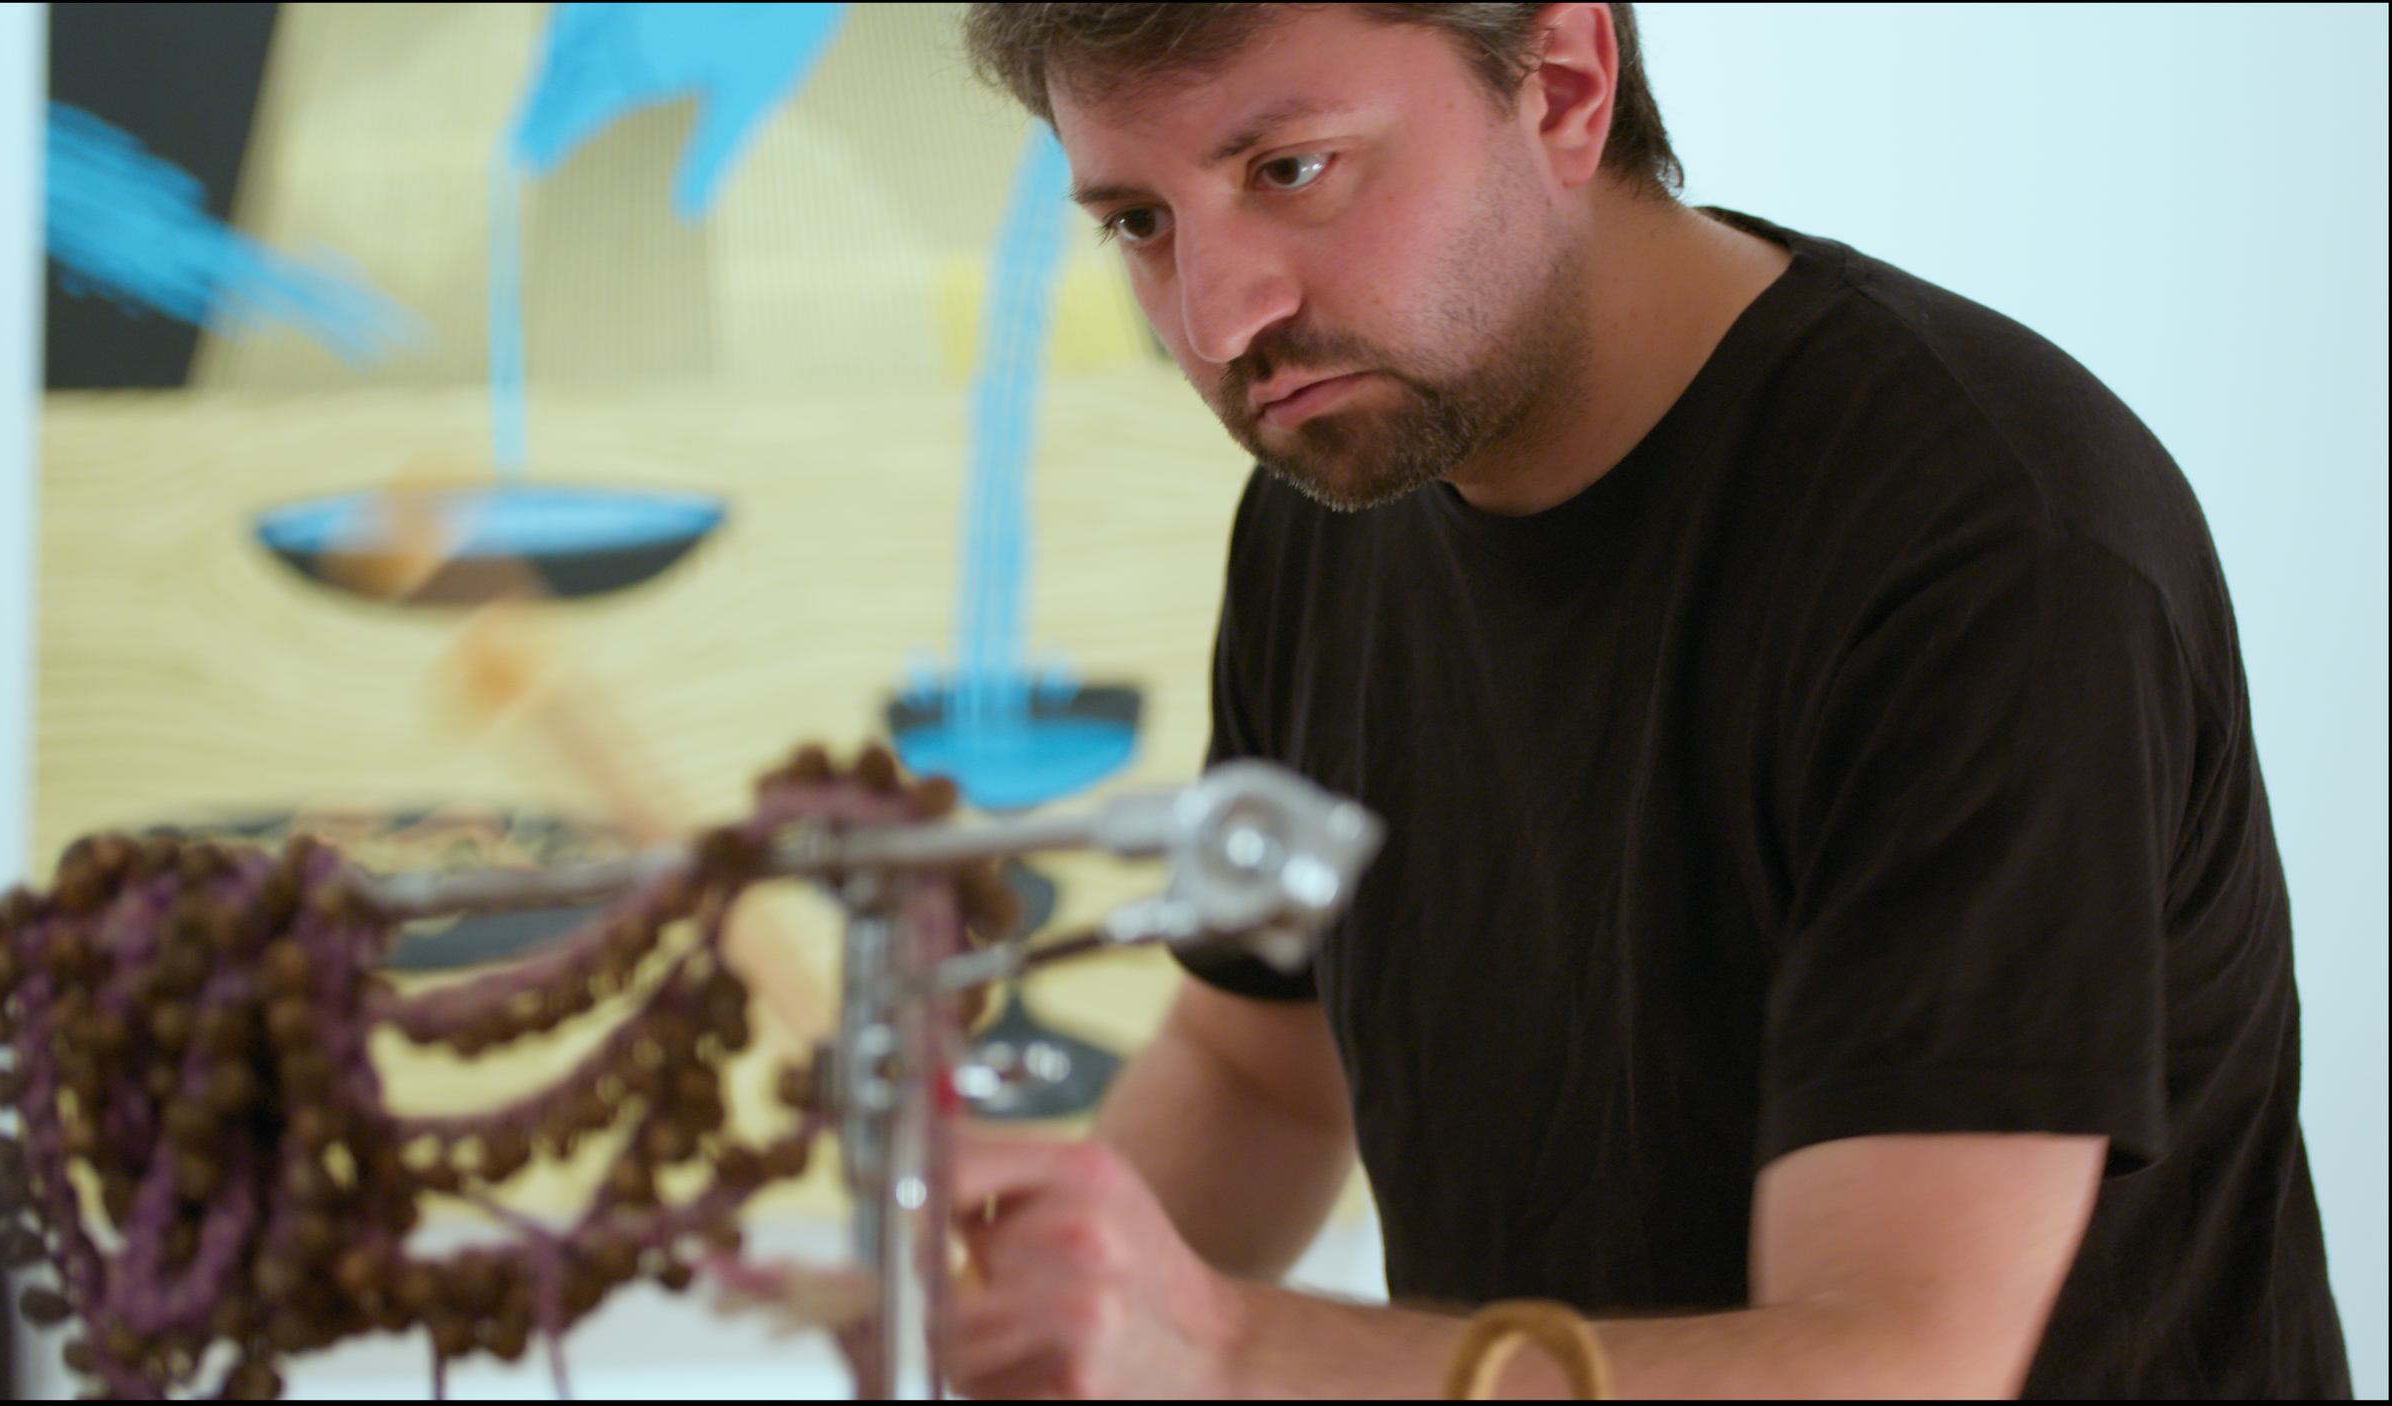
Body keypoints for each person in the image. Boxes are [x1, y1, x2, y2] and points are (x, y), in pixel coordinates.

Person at [941, 3, 2350, 1398]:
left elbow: (1898, 1364)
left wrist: (1220, 1346)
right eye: (1139, 222)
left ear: (1560, 83)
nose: (1219, 316)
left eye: (1289, 170)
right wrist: (989, 1332)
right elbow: (1259, 1065)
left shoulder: (1982, 546)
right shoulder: (1340, 490)